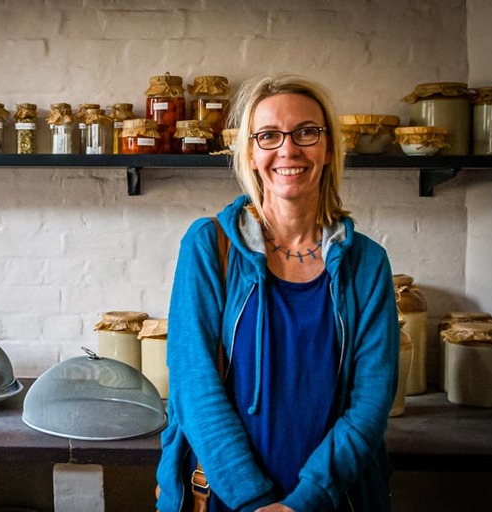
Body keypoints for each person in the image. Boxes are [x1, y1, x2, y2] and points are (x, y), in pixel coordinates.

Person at [156, 75, 399, 512]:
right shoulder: (210, 247)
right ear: (250, 152)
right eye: (269, 135)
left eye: (306, 132)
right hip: (222, 497)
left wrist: (302, 503)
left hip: (335, 499)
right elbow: (194, 388)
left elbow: (370, 404)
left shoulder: (368, 263)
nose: (288, 149)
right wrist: (254, 501)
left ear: (327, 149)